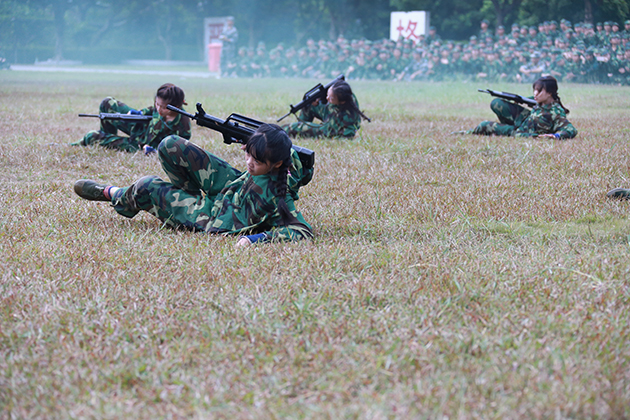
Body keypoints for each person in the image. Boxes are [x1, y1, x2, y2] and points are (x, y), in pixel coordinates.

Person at [73, 124, 313, 246]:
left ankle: (113, 193)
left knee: (146, 186)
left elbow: (301, 231)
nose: (250, 162)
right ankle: (182, 198)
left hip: (216, 215)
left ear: (277, 164)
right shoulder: (281, 158)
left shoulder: (278, 196)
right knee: (170, 145)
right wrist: (257, 145)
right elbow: (289, 156)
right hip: (234, 187)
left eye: (257, 161)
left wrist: (254, 239)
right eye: (248, 155)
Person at [73, 83, 191, 153]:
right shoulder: (159, 107)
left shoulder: (183, 126)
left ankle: (96, 141)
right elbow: (150, 111)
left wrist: (154, 151)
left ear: (176, 107)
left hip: (138, 144)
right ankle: (107, 136)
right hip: (140, 127)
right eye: (157, 104)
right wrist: (137, 113)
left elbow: (175, 151)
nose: (159, 109)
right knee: (107, 103)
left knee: (92, 136)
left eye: (164, 107)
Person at [461, 76, 577, 139]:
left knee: (484, 125)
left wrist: (555, 136)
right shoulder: (539, 101)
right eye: (535, 90)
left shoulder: (555, 112)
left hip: (521, 132)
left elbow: (571, 130)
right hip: (524, 122)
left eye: (540, 91)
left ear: (550, 93)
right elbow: (528, 100)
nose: (535, 94)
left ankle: (468, 133)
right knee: (497, 103)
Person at [283, 80, 368, 138]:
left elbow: (347, 134)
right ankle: (299, 128)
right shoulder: (345, 93)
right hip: (329, 116)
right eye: (327, 95)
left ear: (341, 102)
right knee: (309, 104)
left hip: (330, 129)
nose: (327, 98)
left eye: (331, 98)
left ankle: (291, 131)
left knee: (293, 127)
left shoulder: (345, 118)